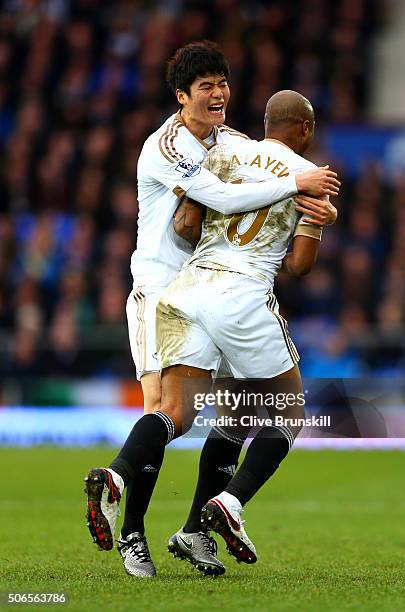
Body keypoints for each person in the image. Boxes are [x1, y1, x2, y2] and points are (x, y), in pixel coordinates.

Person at [84, 41, 340, 579]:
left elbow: (242, 180)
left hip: (195, 286)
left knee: (232, 410)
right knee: (169, 409)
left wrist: (312, 203)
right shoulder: (166, 145)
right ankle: (131, 526)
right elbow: (203, 212)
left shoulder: (228, 142)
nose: (219, 94)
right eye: (206, 87)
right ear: (181, 96)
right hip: (160, 286)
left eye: (223, 83)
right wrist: (302, 191)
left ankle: (194, 530)